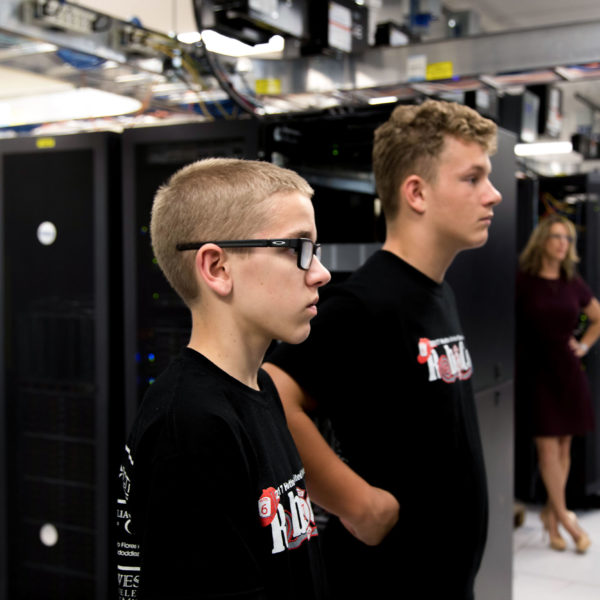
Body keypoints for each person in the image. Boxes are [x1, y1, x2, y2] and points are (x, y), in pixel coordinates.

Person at [263, 99, 502, 600]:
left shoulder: (438, 291)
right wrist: (356, 503)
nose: (493, 194)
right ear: (416, 192)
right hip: (389, 582)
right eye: (473, 178)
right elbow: (270, 395)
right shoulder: (366, 303)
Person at [115, 157, 332, 599]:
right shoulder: (192, 425)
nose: (320, 273)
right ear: (217, 268)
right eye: (297, 248)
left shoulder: (260, 388)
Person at [515, 214, 600, 554]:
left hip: (568, 370)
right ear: (543, 241)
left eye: (568, 238)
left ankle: (552, 516)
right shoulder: (523, 280)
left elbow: (597, 316)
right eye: (557, 237)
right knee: (548, 447)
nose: (563, 243)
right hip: (536, 372)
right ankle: (566, 518)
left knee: (564, 445)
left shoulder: (572, 282)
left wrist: (584, 344)